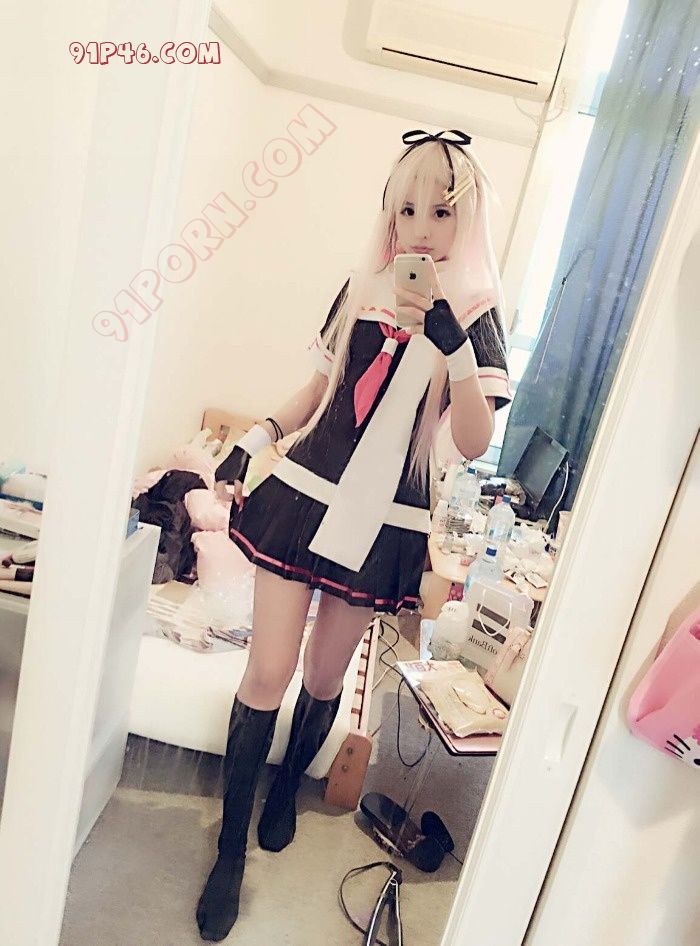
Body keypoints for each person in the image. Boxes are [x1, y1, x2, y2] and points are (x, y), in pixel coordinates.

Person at [195, 129, 513, 941]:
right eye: (406, 209)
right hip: (308, 493)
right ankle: (229, 849)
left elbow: (473, 440)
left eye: (440, 211)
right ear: (388, 212)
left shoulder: (478, 315)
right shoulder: (361, 287)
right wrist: (254, 438)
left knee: (326, 674)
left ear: (468, 218)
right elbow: (316, 393)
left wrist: (452, 345)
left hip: (388, 519)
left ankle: (282, 792)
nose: (421, 228)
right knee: (268, 672)